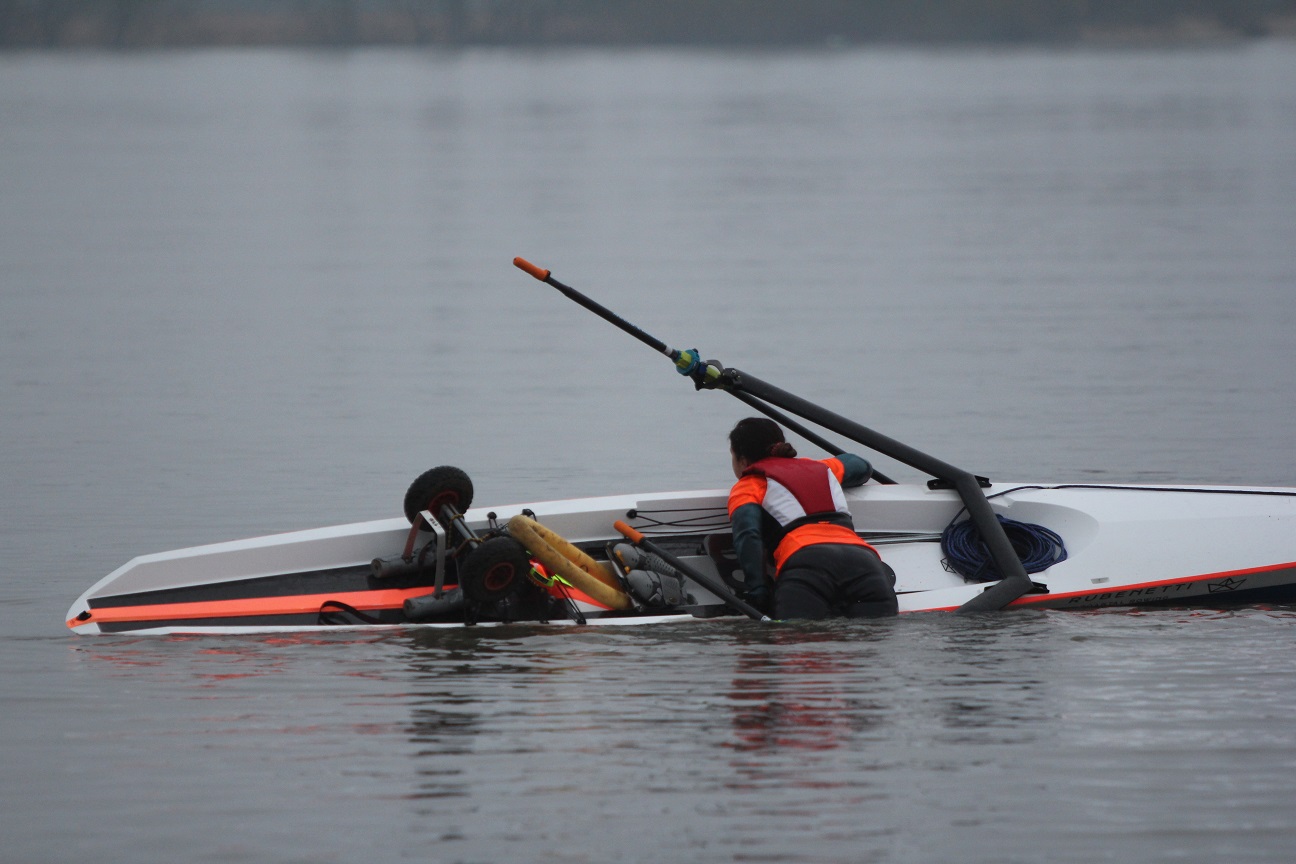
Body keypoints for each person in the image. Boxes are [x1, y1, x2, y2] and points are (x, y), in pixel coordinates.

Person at [727, 417, 898, 620]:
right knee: (874, 639)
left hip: (807, 565)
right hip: (865, 564)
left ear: (742, 460)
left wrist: (758, 593)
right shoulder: (823, 469)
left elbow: (748, 535)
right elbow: (860, 465)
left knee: (798, 641)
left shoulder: (748, 486)